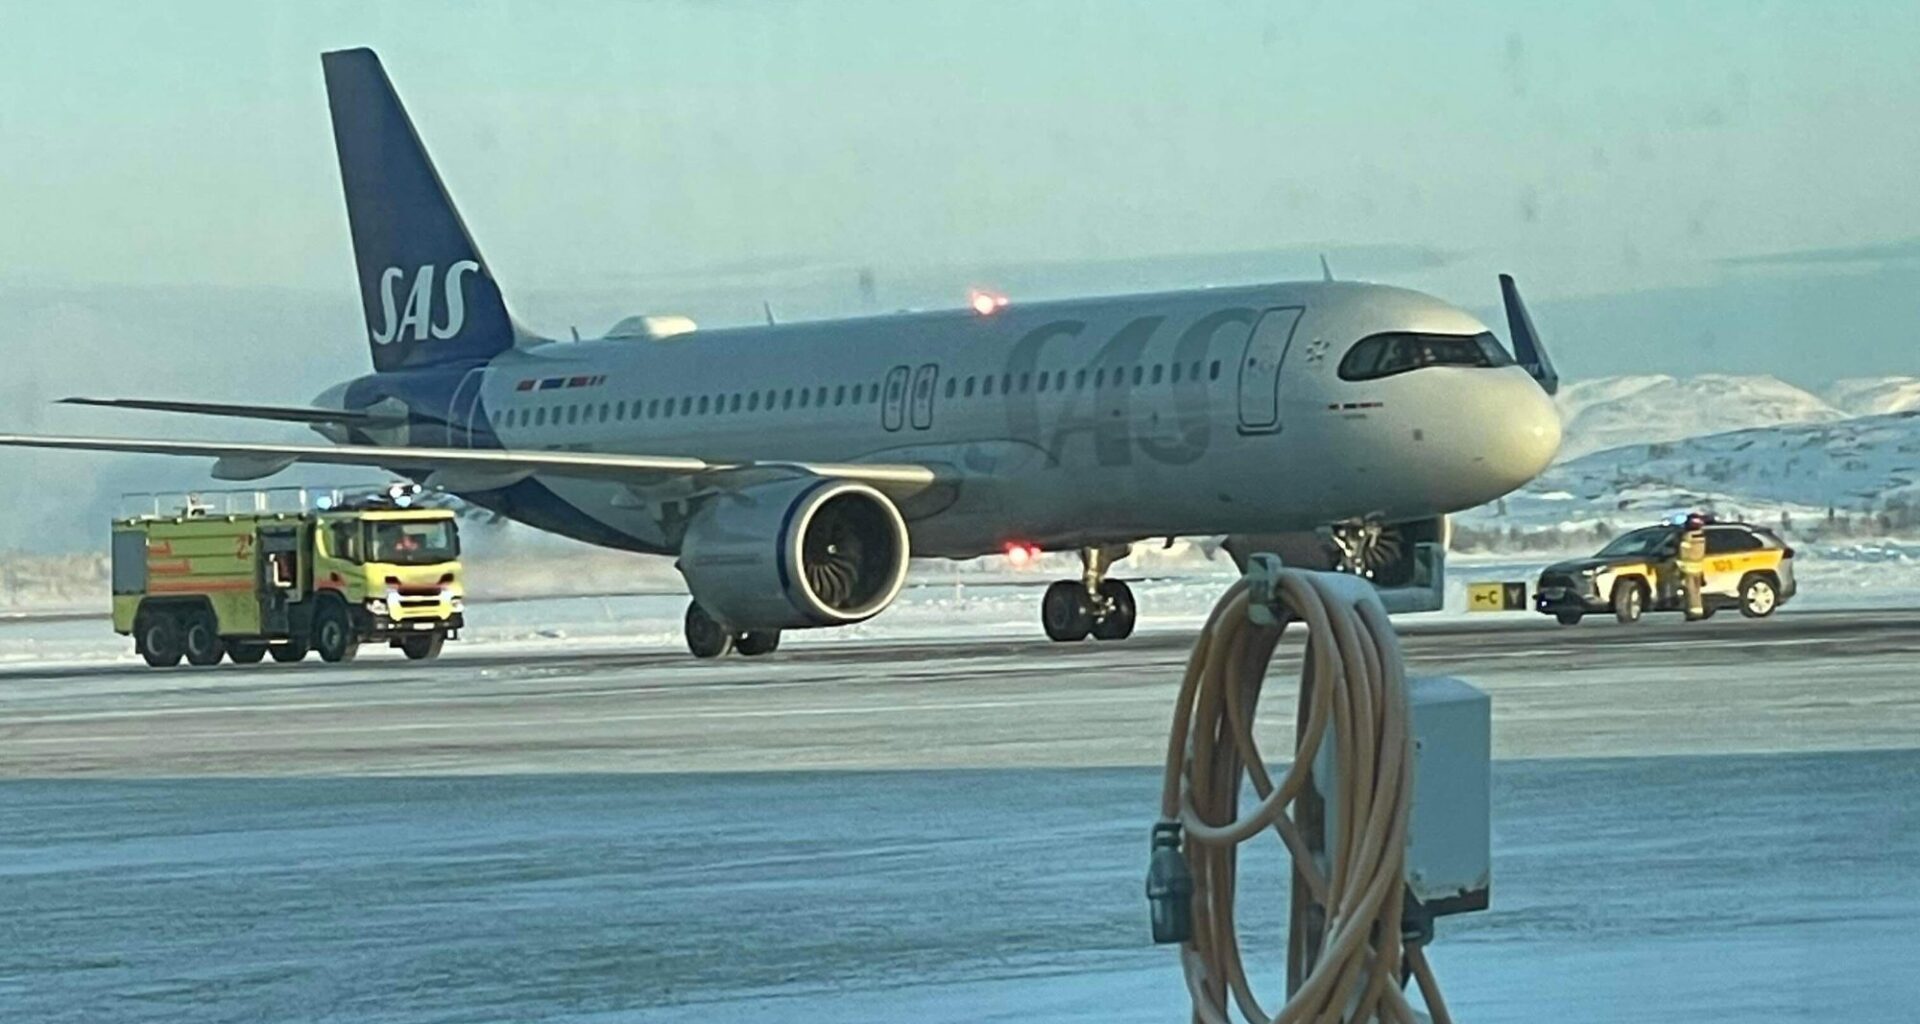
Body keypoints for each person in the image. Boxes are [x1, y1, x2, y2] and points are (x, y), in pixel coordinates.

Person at [1677, 514, 1708, 620]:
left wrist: (1678, 566)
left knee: (1690, 592)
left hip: (1688, 569)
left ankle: (1692, 613)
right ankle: (1699, 611)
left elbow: (1683, 553)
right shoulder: (1701, 535)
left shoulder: (1687, 537)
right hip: (1698, 568)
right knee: (1697, 592)